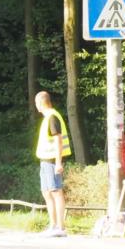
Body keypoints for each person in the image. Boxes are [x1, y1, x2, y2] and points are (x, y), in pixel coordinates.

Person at [34, 91, 71, 237]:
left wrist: (58, 163)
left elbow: (58, 140)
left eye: (37, 103)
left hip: (51, 161)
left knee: (56, 191)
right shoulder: (48, 118)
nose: (36, 106)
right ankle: (53, 225)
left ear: (41, 103)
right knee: (47, 192)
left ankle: (60, 228)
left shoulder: (52, 117)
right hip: (45, 160)